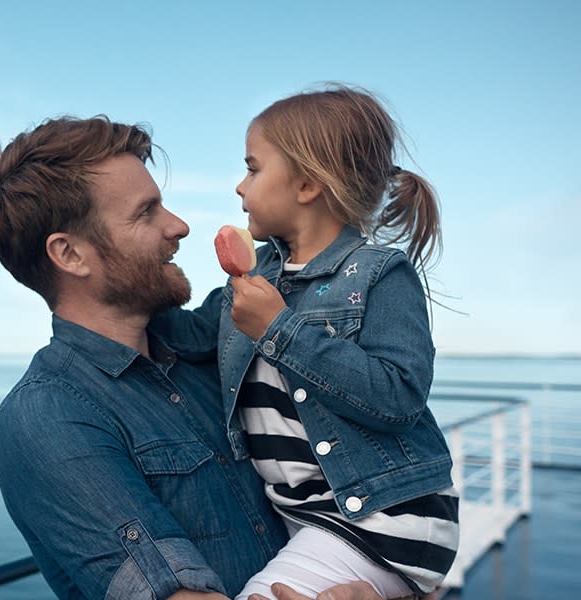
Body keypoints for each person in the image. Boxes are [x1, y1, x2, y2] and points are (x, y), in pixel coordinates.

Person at [0, 115, 394, 600]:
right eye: (146, 212)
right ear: (70, 255)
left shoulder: (222, 348)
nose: (179, 226)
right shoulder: (47, 417)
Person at [158, 85, 458, 600]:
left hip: (383, 517)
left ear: (307, 185)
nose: (238, 186)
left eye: (252, 168)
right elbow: (184, 337)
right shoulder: (257, 278)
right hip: (309, 517)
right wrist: (140, 273)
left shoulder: (380, 274)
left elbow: (399, 397)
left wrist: (279, 330)